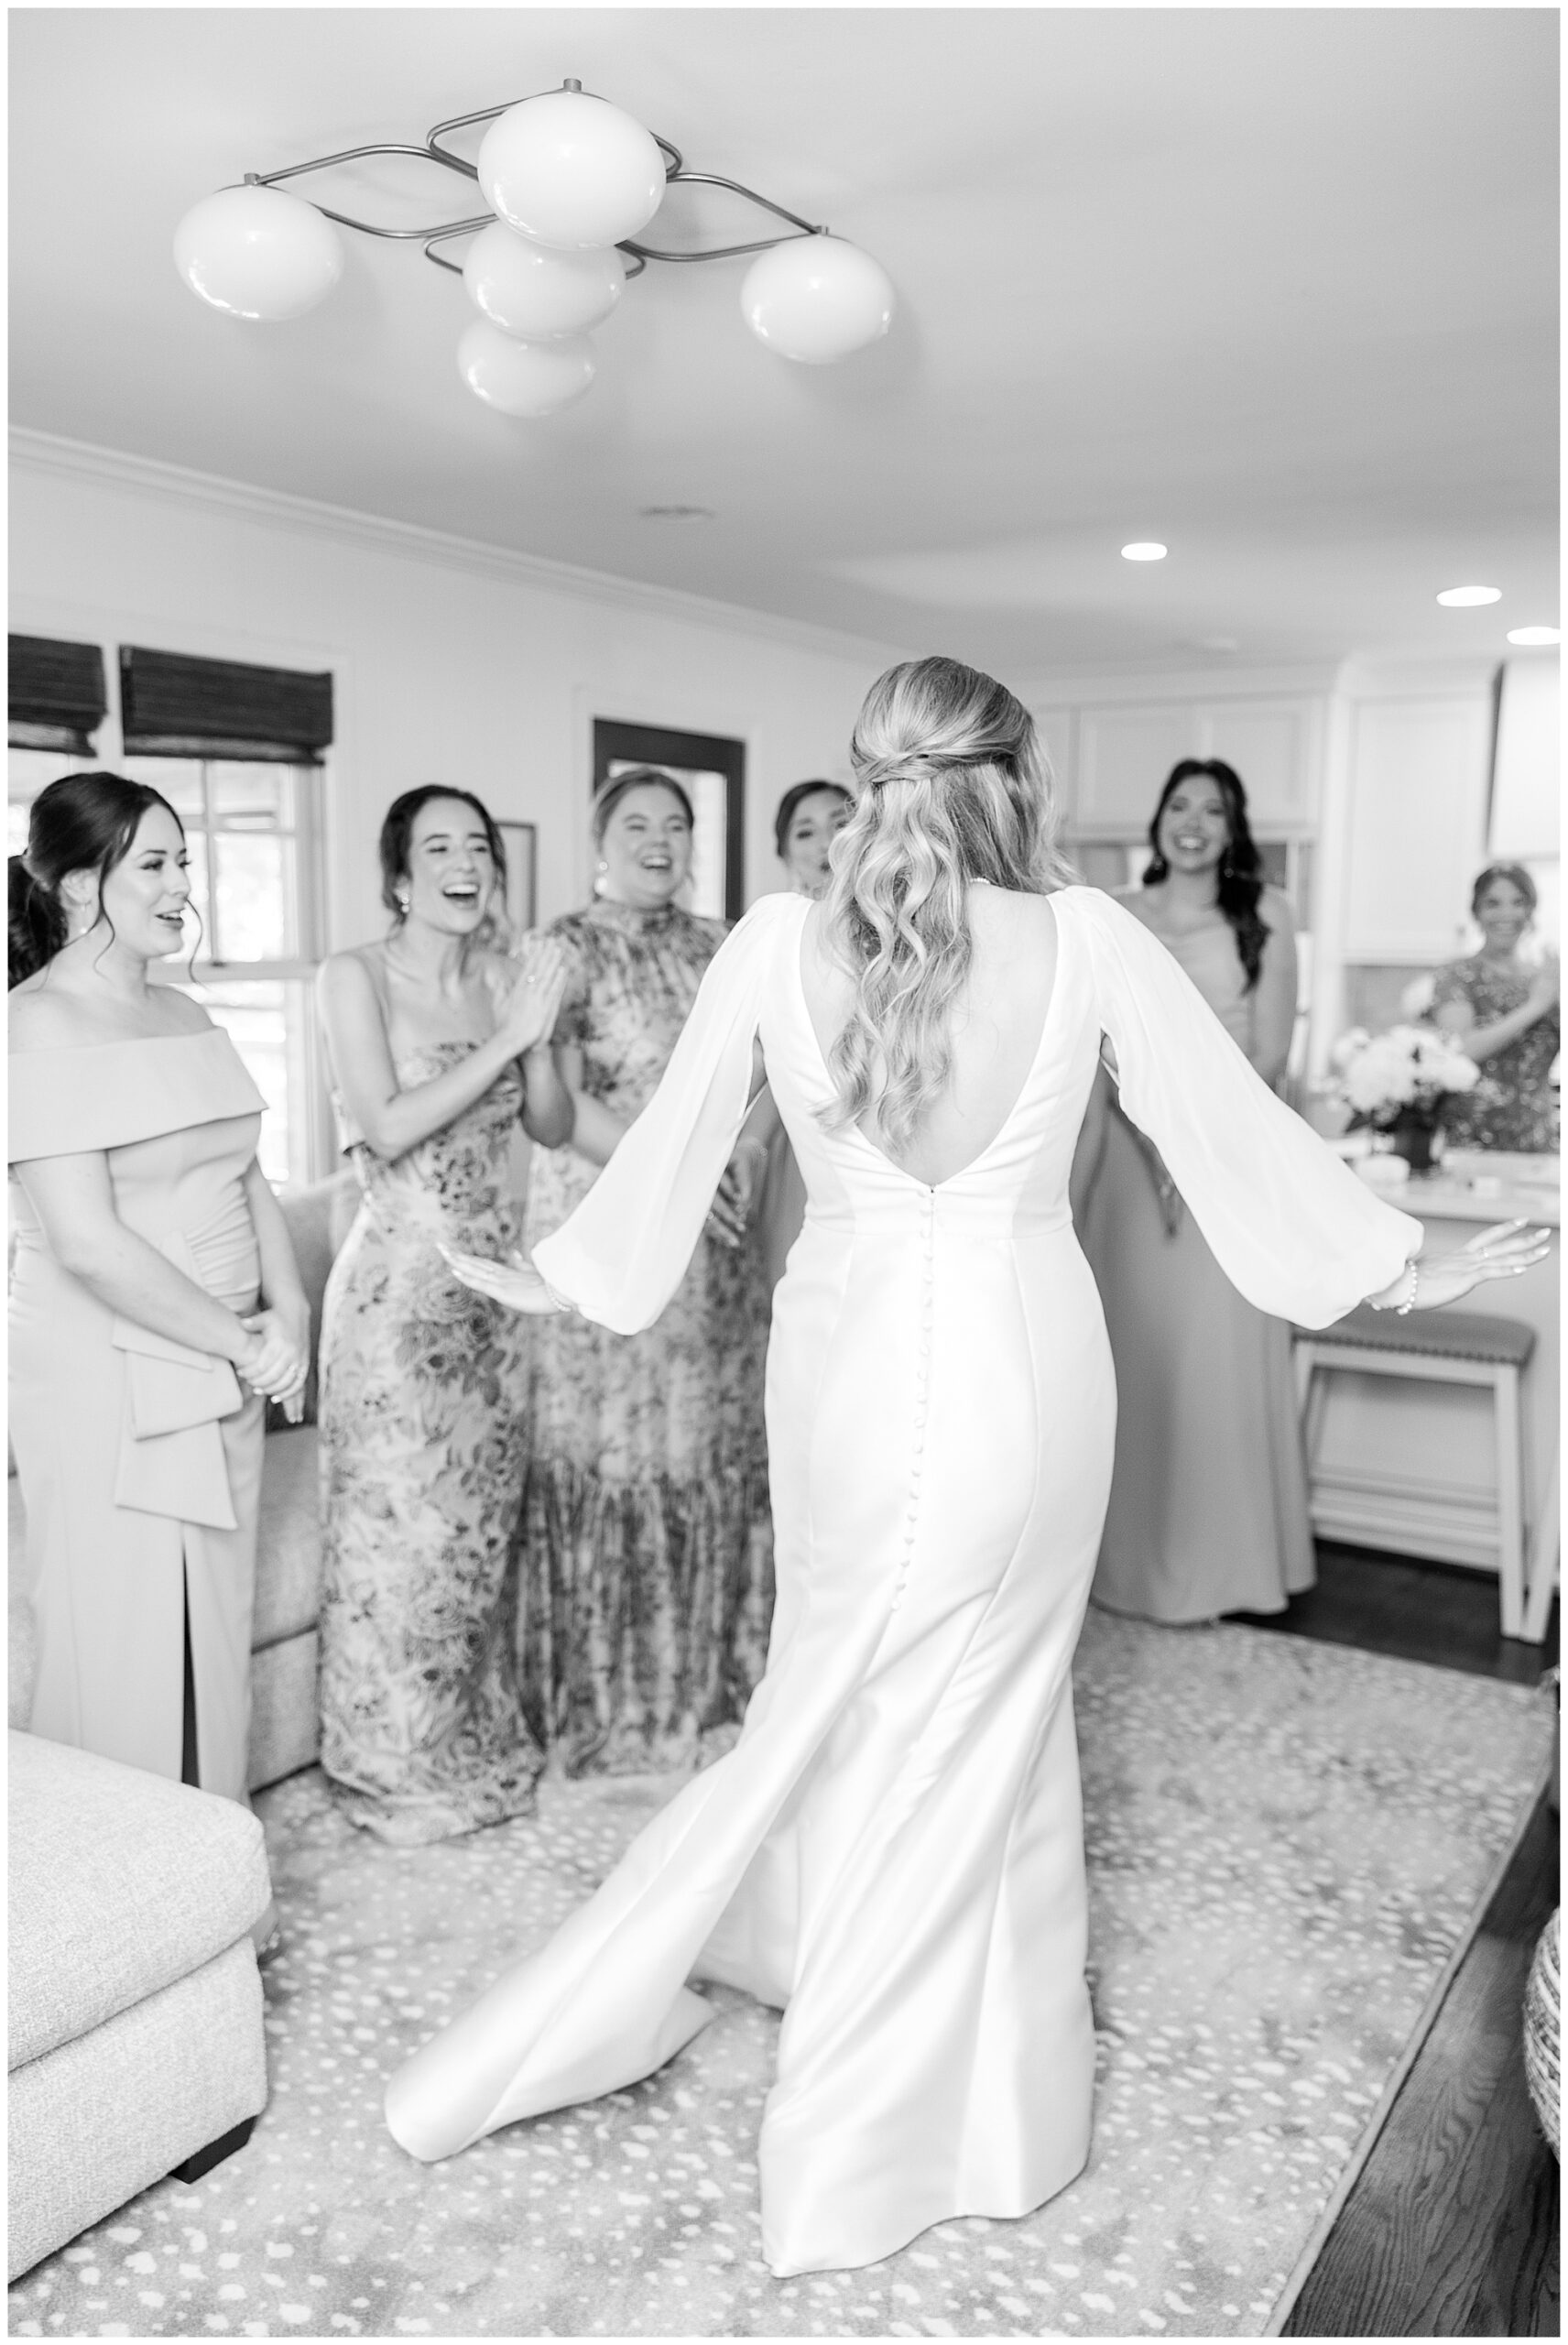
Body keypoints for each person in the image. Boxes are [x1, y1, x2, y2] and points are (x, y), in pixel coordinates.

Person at [383, 657, 1546, 2276]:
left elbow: (658, 1169)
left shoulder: (775, 946)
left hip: (840, 1376)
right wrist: (1414, 1262)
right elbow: (1240, 1147)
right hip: (1022, 1371)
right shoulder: (1087, 943)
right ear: (1018, 778)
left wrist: (555, 1275)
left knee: (834, 1684)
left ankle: (814, 1987)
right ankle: (905, 2111)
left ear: (865, 781)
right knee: (992, 1714)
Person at [8, 772, 310, 1804]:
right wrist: (243, 1337)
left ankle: (212, 1898)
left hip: (220, 1364)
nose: (186, 882)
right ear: (80, 887)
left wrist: (293, 1311)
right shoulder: (34, 1026)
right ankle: (117, 1921)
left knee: (208, 1635)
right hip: (104, 1372)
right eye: (158, 862)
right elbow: (85, 1242)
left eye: (187, 860)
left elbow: (245, 1173)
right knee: (123, 1639)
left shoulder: (185, 1009)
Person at [314, 787, 572, 1845]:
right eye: (439, 847)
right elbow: (383, 1124)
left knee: (473, 1538)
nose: (464, 862)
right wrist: (504, 1035)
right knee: (394, 1540)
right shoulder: (354, 977)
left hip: (494, 1295)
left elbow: (548, 1126)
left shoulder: (507, 976)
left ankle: (462, 1735)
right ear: (399, 876)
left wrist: (539, 1036)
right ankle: (384, 1761)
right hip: (395, 1301)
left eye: (478, 847)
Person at [512, 766, 776, 1774]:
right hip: (609, 1220)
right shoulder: (561, 949)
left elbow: (767, 1078)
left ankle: (710, 1678)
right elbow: (558, 1110)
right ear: (598, 839)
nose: (659, 839)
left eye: (676, 823)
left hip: (712, 1244)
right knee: (617, 1453)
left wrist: (731, 1158)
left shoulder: (724, 945)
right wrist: (669, 1173)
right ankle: (609, 1705)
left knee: (704, 1446)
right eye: (637, 823)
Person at [1073, 758, 1315, 1624]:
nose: (1194, 822)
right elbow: (1091, 1042)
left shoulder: (1267, 917)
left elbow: (1273, 1054)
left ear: (1232, 827)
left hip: (1226, 1166)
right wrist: (1153, 1139)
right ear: (1159, 816)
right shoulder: (1115, 915)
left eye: (1213, 810)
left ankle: (1227, 1565)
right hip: (1126, 1166)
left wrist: (1197, 1146)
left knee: (1214, 1362)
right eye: (1180, 804)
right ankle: (1114, 1565)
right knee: (1131, 1355)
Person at [758, 780, 855, 1284]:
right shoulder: (775, 943)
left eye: (840, 825)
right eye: (805, 832)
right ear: (784, 853)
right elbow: (761, 1064)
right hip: (805, 1145)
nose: (826, 844)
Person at [1432, 862, 1560, 1153]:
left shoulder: (1546, 979)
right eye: (1493, 903)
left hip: (1538, 1138)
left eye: (1518, 902)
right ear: (1477, 911)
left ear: (1530, 911)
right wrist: (1536, 1005)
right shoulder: (1457, 974)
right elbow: (1461, 1049)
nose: (1507, 914)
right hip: (1472, 1138)